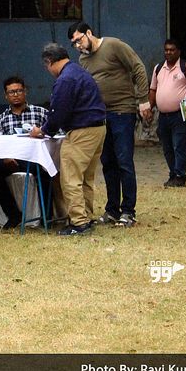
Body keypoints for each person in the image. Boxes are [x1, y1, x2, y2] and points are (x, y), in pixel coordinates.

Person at [68, 21, 149, 227]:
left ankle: (128, 211)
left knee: (124, 161)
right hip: (101, 116)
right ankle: (112, 209)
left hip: (123, 111)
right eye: (73, 43)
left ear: (89, 33)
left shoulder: (113, 45)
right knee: (108, 163)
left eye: (79, 40)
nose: (77, 45)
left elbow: (138, 68)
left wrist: (143, 99)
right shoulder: (83, 59)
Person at [30, 43, 107, 236]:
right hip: (98, 128)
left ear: (49, 61)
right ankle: (86, 216)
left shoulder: (65, 79)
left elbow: (58, 112)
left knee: (70, 178)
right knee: (86, 177)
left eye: (46, 66)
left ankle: (78, 222)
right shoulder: (79, 72)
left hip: (81, 131)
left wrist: (44, 130)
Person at [0, 76, 50, 228]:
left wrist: (41, 133)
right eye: (11, 92)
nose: (15, 95)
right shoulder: (1, 119)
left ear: (25, 92)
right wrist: (5, 157)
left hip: (35, 159)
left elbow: (55, 132)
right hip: (11, 159)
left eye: (19, 91)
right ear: (6, 95)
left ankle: (46, 217)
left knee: (45, 171)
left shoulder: (41, 113)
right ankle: (13, 215)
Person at [148, 39, 186, 188]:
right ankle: (173, 173)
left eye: (172, 50)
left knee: (179, 145)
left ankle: (180, 176)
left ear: (178, 51)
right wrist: (149, 107)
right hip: (163, 116)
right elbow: (152, 90)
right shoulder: (158, 68)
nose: (169, 52)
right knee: (167, 147)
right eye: (166, 50)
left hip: (180, 114)